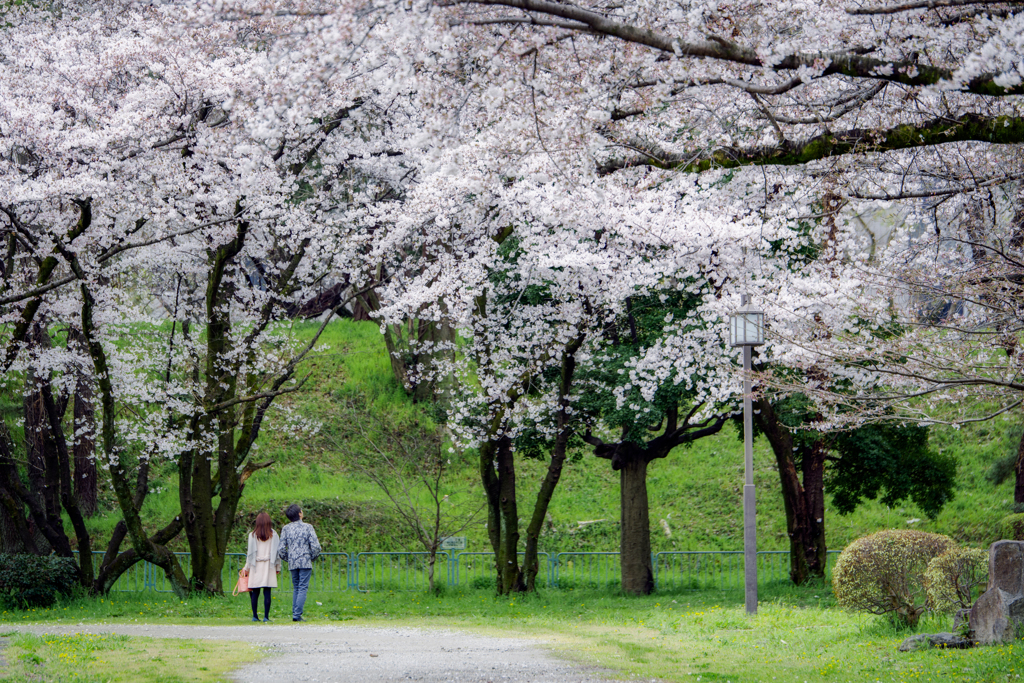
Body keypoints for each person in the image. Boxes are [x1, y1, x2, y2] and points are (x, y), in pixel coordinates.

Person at [278, 503, 321, 622]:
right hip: (305, 561)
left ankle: (295, 612)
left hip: (293, 562)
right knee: (302, 587)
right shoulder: (308, 527)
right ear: (300, 514)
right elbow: (316, 547)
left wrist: (289, 558)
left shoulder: (286, 528)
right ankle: (297, 614)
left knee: (296, 587)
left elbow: (281, 549)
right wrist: (311, 557)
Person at [243, 511, 282, 623]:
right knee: (267, 591)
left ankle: (255, 616)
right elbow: (277, 553)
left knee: (255, 592)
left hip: (255, 565)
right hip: (269, 565)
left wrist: (246, 568)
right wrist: (278, 567)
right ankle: (266, 617)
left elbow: (250, 554)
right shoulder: (274, 535)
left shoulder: (252, 535)